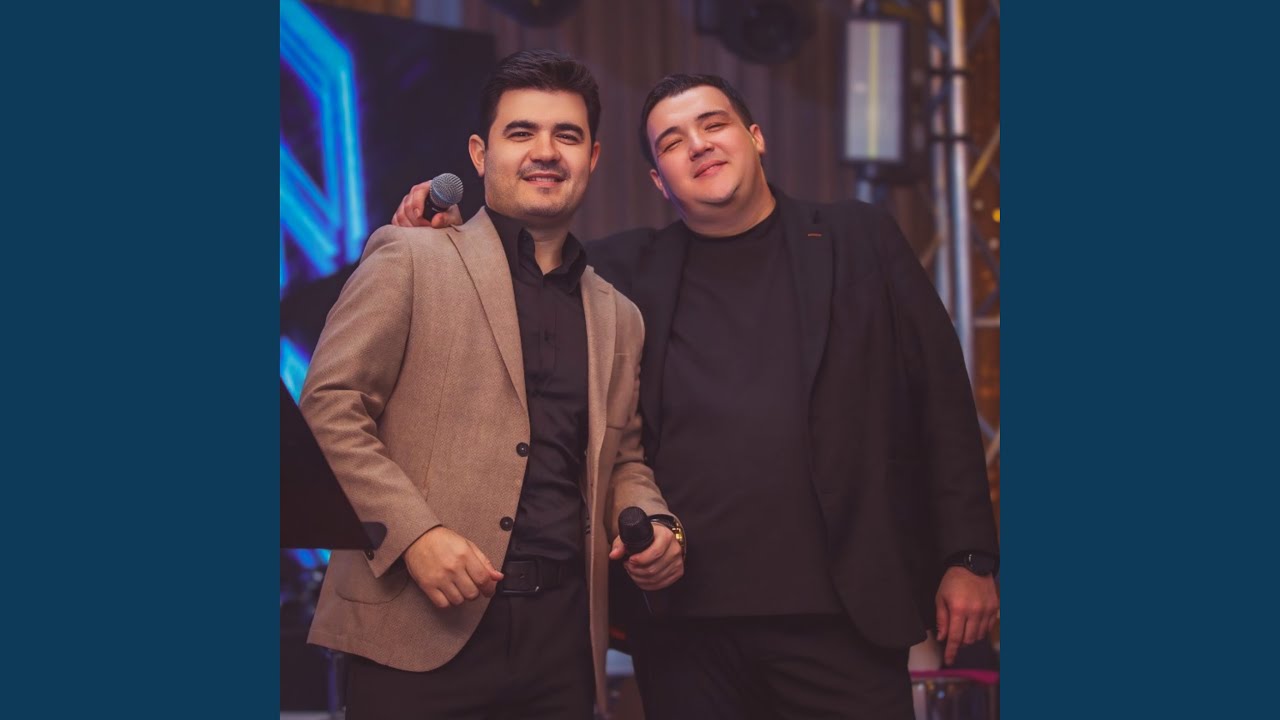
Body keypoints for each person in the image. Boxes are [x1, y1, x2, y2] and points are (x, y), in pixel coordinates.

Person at [394, 72, 999, 720]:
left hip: (842, 615)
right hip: (682, 628)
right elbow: (516, 277)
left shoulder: (859, 239)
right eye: (672, 141)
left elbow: (941, 397)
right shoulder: (617, 270)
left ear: (755, 137)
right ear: (659, 179)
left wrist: (967, 556)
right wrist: (448, 238)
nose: (699, 145)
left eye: (714, 124)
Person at [300, 50, 684, 720]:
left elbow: (621, 457)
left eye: (567, 135)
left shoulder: (619, 315)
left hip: (563, 645)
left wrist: (655, 520)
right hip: (415, 629)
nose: (546, 152)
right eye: (521, 132)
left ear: (592, 158)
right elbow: (327, 408)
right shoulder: (410, 256)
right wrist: (415, 535)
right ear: (480, 154)